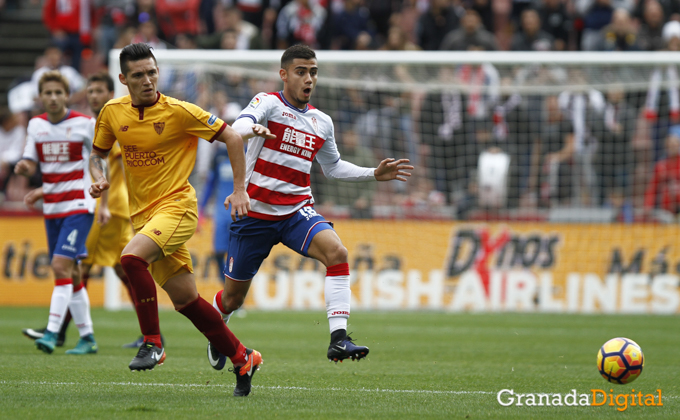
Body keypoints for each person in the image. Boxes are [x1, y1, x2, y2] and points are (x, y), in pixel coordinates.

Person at [208, 45, 413, 367]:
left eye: (313, 72)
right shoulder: (268, 103)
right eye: (301, 71)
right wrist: (252, 129)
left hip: (295, 211)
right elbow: (239, 126)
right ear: (284, 74)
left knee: (338, 253)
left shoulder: (321, 122)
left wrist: (373, 174)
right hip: (255, 213)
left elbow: (332, 167)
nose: (308, 78)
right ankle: (218, 327)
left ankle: (339, 339)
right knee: (233, 298)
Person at [88, 43, 261, 397]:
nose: (148, 80)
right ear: (123, 79)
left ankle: (153, 342)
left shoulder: (180, 112)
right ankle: (244, 357)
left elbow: (229, 136)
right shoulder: (111, 113)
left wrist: (241, 188)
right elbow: (97, 155)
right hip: (144, 217)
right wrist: (97, 176)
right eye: (138, 75)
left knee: (130, 258)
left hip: (178, 208)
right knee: (187, 302)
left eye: (152, 72)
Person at [21, 73, 152, 349]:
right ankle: (85, 334)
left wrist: (103, 204)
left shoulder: (109, 124)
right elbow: (77, 169)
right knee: (96, 269)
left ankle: (57, 330)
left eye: (99, 91)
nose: (94, 96)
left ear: (110, 93)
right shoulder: (86, 125)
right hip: (91, 206)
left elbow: (104, 168)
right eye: (90, 91)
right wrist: (44, 189)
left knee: (72, 266)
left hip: (106, 209)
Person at [14, 70, 98, 355]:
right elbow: (29, 157)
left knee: (60, 267)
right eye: (47, 93)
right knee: (72, 272)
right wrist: (26, 167)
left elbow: (101, 156)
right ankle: (87, 337)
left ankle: (51, 333)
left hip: (79, 205)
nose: (52, 98)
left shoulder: (85, 124)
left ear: (67, 95)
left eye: (57, 92)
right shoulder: (36, 125)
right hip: (52, 207)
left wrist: (100, 183)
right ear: (40, 97)